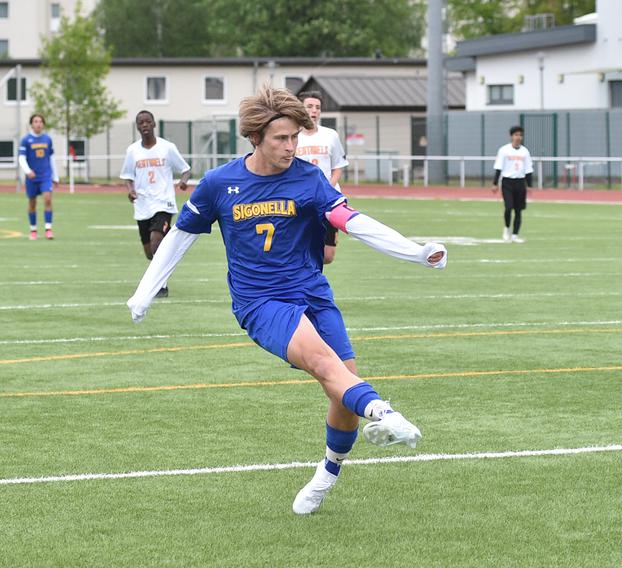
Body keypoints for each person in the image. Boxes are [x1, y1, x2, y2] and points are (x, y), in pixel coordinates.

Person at [126, 86, 447, 515]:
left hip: (313, 293)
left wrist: (415, 251)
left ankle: (327, 473)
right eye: (281, 138)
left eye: (296, 137)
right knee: (323, 364)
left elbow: (351, 221)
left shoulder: (309, 177)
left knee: (342, 388)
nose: (291, 146)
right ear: (255, 137)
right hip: (261, 304)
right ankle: (385, 413)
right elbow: (179, 238)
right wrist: (145, 290)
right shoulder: (220, 183)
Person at [120, 110, 192, 298]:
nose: (144, 125)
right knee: (150, 252)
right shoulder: (133, 151)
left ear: (153, 124)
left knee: (156, 241)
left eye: (147, 122)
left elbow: (185, 169)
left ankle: (161, 286)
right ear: (137, 127)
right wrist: (131, 189)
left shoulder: (167, 147)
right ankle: (160, 272)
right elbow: (128, 176)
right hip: (143, 206)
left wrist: (183, 181)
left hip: (163, 203)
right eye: (140, 122)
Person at [294, 90, 349, 265]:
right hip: (301, 200)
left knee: (327, 256)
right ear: (300, 109)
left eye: (317, 107)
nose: (314, 110)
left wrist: (327, 187)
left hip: (328, 199)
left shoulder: (330, 135)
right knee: (299, 246)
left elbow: (338, 166)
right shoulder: (293, 137)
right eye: (309, 106)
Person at [19, 114, 59, 240]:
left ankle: (48, 229)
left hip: (45, 176)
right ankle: (33, 230)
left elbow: (51, 158)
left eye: (41, 121)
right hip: (32, 177)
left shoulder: (47, 139)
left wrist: (55, 176)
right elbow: (21, 158)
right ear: (31, 124)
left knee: (47, 199)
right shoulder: (26, 140)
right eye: (36, 121)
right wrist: (27, 171)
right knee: (32, 203)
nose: (38, 124)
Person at [491, 126, 533, 243]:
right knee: (508, 207)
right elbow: (498, 168)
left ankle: (515, 235)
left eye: (520, 135)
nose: (518, 137)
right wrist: (495, 183)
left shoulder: (525, 152)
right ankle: (506, 229)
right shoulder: (504, 150)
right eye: (516, 135)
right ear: (511, 136)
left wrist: (529, 185)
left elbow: (528, 170)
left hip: (520, 182)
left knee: (518, 210)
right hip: (507, 182)